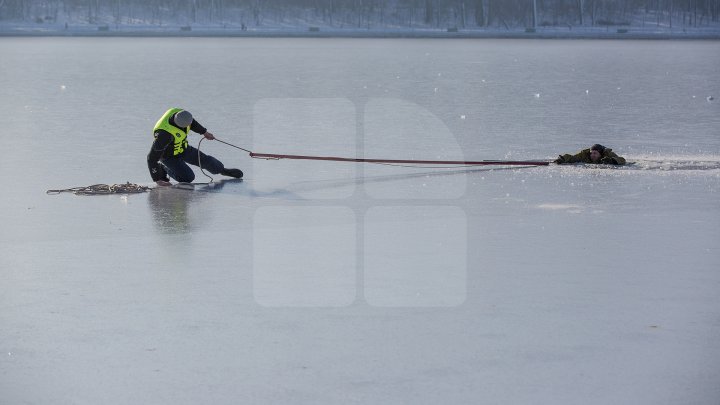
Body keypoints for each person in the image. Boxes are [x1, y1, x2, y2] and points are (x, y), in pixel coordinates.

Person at [148, 108, 243, 186]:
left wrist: (204, 132)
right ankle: (164, 168)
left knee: (207, 161)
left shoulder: (181, 113)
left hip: (183, 149)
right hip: (168, 157)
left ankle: (222, 170)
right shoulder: (164, 135)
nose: (190, 125)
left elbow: (193, 123)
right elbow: (151, 158)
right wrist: (157, 179)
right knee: (188, 178)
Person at [554, 144, 626, 165]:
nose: (592, 155)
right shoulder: (584, 154)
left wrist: (611, 161)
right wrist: (562, 159)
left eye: (595, 153)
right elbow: (572, 158)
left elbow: (622, 160)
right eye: (591, 153)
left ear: (600, 154)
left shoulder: (607, 154)